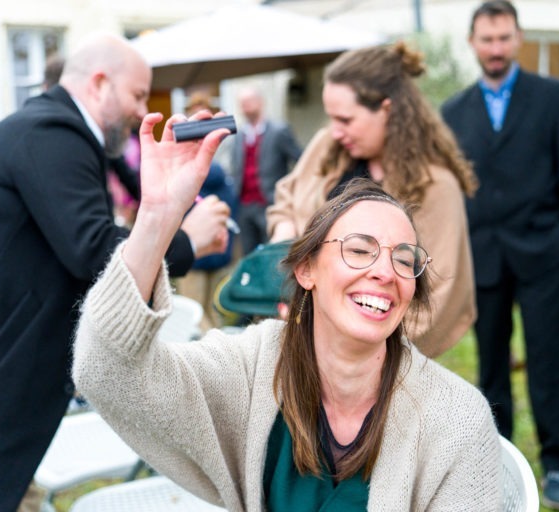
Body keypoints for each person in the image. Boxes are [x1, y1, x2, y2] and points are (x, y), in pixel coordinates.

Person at [72, 109, 502, 509]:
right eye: (359, 250)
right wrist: (157, 218)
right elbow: (105, 370)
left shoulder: (456, 422)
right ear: (306, 270)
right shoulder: (251, 368)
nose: (385, 272)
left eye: (405, 259)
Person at [0, 33, 230, 511]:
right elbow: (94, 253)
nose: (142, 109)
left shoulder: (53, 131)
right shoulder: (53, 134)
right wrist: (188, 240)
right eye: (138, 94)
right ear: (100, 83)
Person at [440, 2, 559, 509]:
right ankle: (496, 462)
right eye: (487, 39)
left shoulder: (553, 97)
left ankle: (557, 465)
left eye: (504, 38)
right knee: (491, 368)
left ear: (518, 39)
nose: (496, 48)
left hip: (547, 254)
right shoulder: (454, 111)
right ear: (472, 42)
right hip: (485, 258)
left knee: (550, 364)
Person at [267, 41, 478, 359]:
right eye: (332, 119)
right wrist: (285, 235)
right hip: (302, 342)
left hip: (383, 360)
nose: (335, 131)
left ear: (387, 109)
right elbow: (287, 196)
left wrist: (358, 348)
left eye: (346, 120)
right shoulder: (329, 146)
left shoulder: (436, 186)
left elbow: (441, 295)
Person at [179, 91, 239, 330]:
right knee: (213, 308)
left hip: (195, 249)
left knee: (193, 308)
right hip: (217, 245)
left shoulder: (189, 172)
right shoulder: (222, 176)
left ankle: (210, 352)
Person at [230, 86, 302, 255]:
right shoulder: (239, 135)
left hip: (270, 202)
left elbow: (300, 160)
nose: (245, 107)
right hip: (245, 205)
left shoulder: (279, 130)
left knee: (272, 251)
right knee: (248, 253)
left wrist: (290, 191)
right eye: (242, 104)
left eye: (248, 102)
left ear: (260, 102)